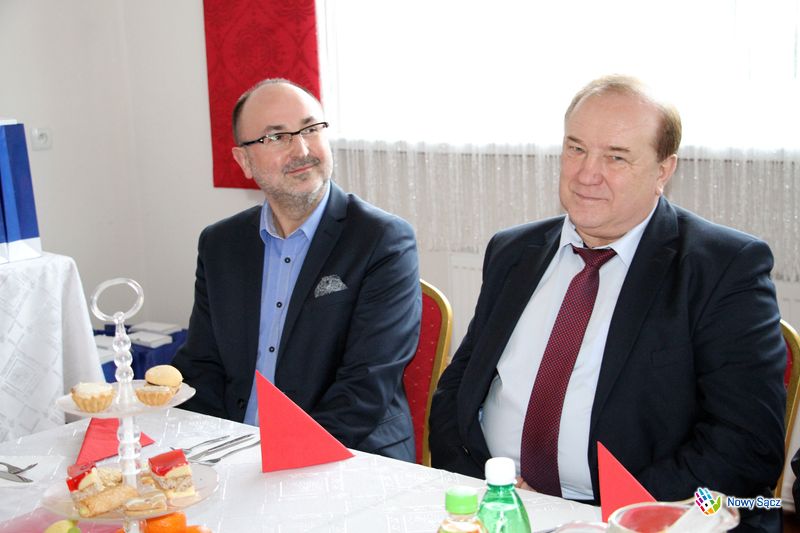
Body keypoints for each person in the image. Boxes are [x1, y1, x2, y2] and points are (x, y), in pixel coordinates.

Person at [429, 75, 785, 531]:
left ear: (663, 171)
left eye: (615, 157)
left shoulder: (723, 268)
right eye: (576, 148)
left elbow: (745, 446)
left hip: (629, 519)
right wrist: (487, 487)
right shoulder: (513, 251)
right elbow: (456, 393)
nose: (586, 174)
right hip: (496, 506)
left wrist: (602, 517)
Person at [172, 79, 421, 462]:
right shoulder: (221, 244)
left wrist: (276, 459)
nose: (302, 150)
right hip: (235, 449)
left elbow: (364, 389)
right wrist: (202, 454)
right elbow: (201, 365)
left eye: (310, 129)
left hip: (346, 454)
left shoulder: (381, 240)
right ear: (243, 161)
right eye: (276, 137)